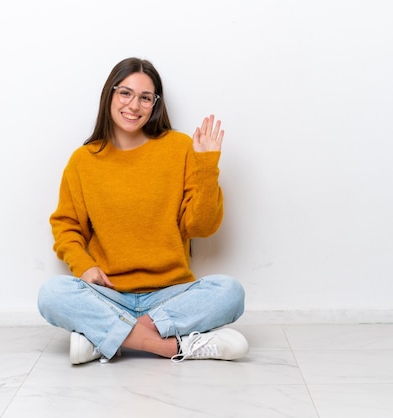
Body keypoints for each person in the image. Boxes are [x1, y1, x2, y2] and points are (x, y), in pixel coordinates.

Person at [37, 57, 247, 365]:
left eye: (145, 97)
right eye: (125, 93)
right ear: (110, 94)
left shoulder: (178, 147)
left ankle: (105, 338)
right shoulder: (83, 161)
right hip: (111, 294)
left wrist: (206, 167)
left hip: (170, 294)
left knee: (231, 291)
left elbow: (201, 227)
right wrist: (83, 266)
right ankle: (169, 346)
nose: (134, 105)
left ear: (155, 104)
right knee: (51, 294)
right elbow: (66, 225)